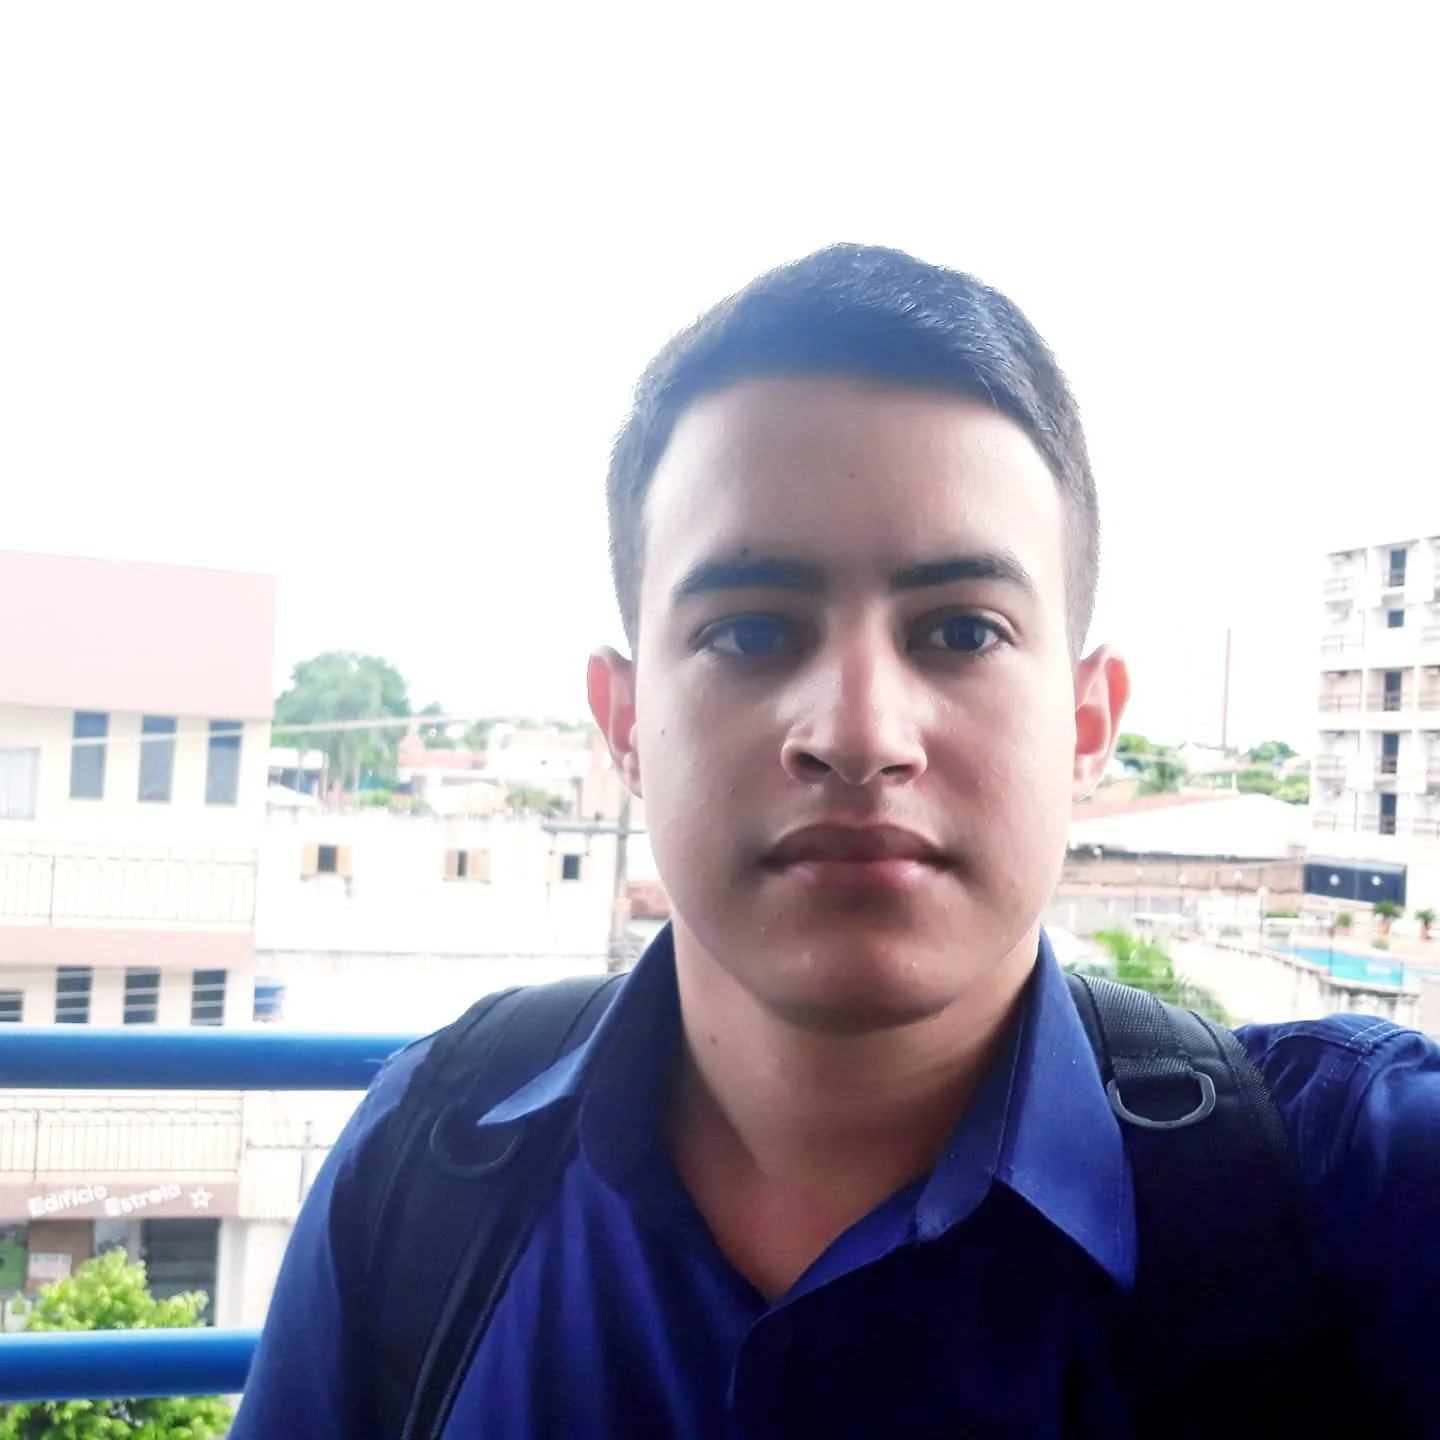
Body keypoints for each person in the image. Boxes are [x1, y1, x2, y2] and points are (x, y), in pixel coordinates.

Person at [233, 246, 1440, 1438]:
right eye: (751, 632)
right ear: (624, 721)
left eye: (961, 632)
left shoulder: (1357, 1189)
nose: (859, 734)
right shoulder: (429, 1166)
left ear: (1086, 723)